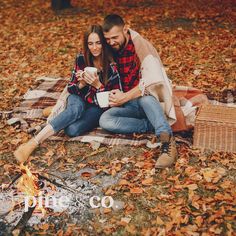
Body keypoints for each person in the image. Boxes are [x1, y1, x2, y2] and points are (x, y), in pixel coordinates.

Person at [14, 24, 122, 163]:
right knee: (75, 109)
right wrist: (81, 83)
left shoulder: (112, 66)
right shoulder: (81, 59)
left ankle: (60, 112)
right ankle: (33, 143)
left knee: (72, 130)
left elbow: (111, 102)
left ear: (104, 43)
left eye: (98, 43)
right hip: (79, 98)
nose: (94, 48)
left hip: (97, 107)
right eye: (90, 44)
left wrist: (98, 85)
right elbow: (71, 88)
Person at [99, 14, 178, 169]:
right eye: (107, 39)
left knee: (146, 99)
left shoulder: (140, 46)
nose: (111, 42)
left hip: (147, 101)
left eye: (115, 37)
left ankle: (167, 141)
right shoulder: (110, 49)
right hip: (128, 105)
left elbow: (151, 81)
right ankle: (151, 124)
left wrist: (125, 97)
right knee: (105, 120)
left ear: (126, 30)